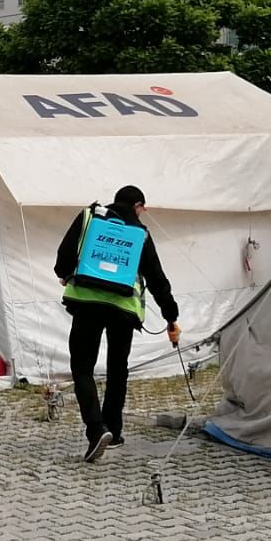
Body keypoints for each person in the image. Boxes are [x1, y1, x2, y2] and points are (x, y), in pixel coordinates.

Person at [54, 184, 179, 463]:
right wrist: (171, 315)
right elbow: (157, 279)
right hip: (123, 309)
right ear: (138, 206)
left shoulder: (91, 216)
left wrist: (64, 273)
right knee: (117, 369)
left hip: (86, 302)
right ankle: (114, 430)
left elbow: (65, 253)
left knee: (82, 367)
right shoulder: (140, 233)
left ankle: (96, 429)